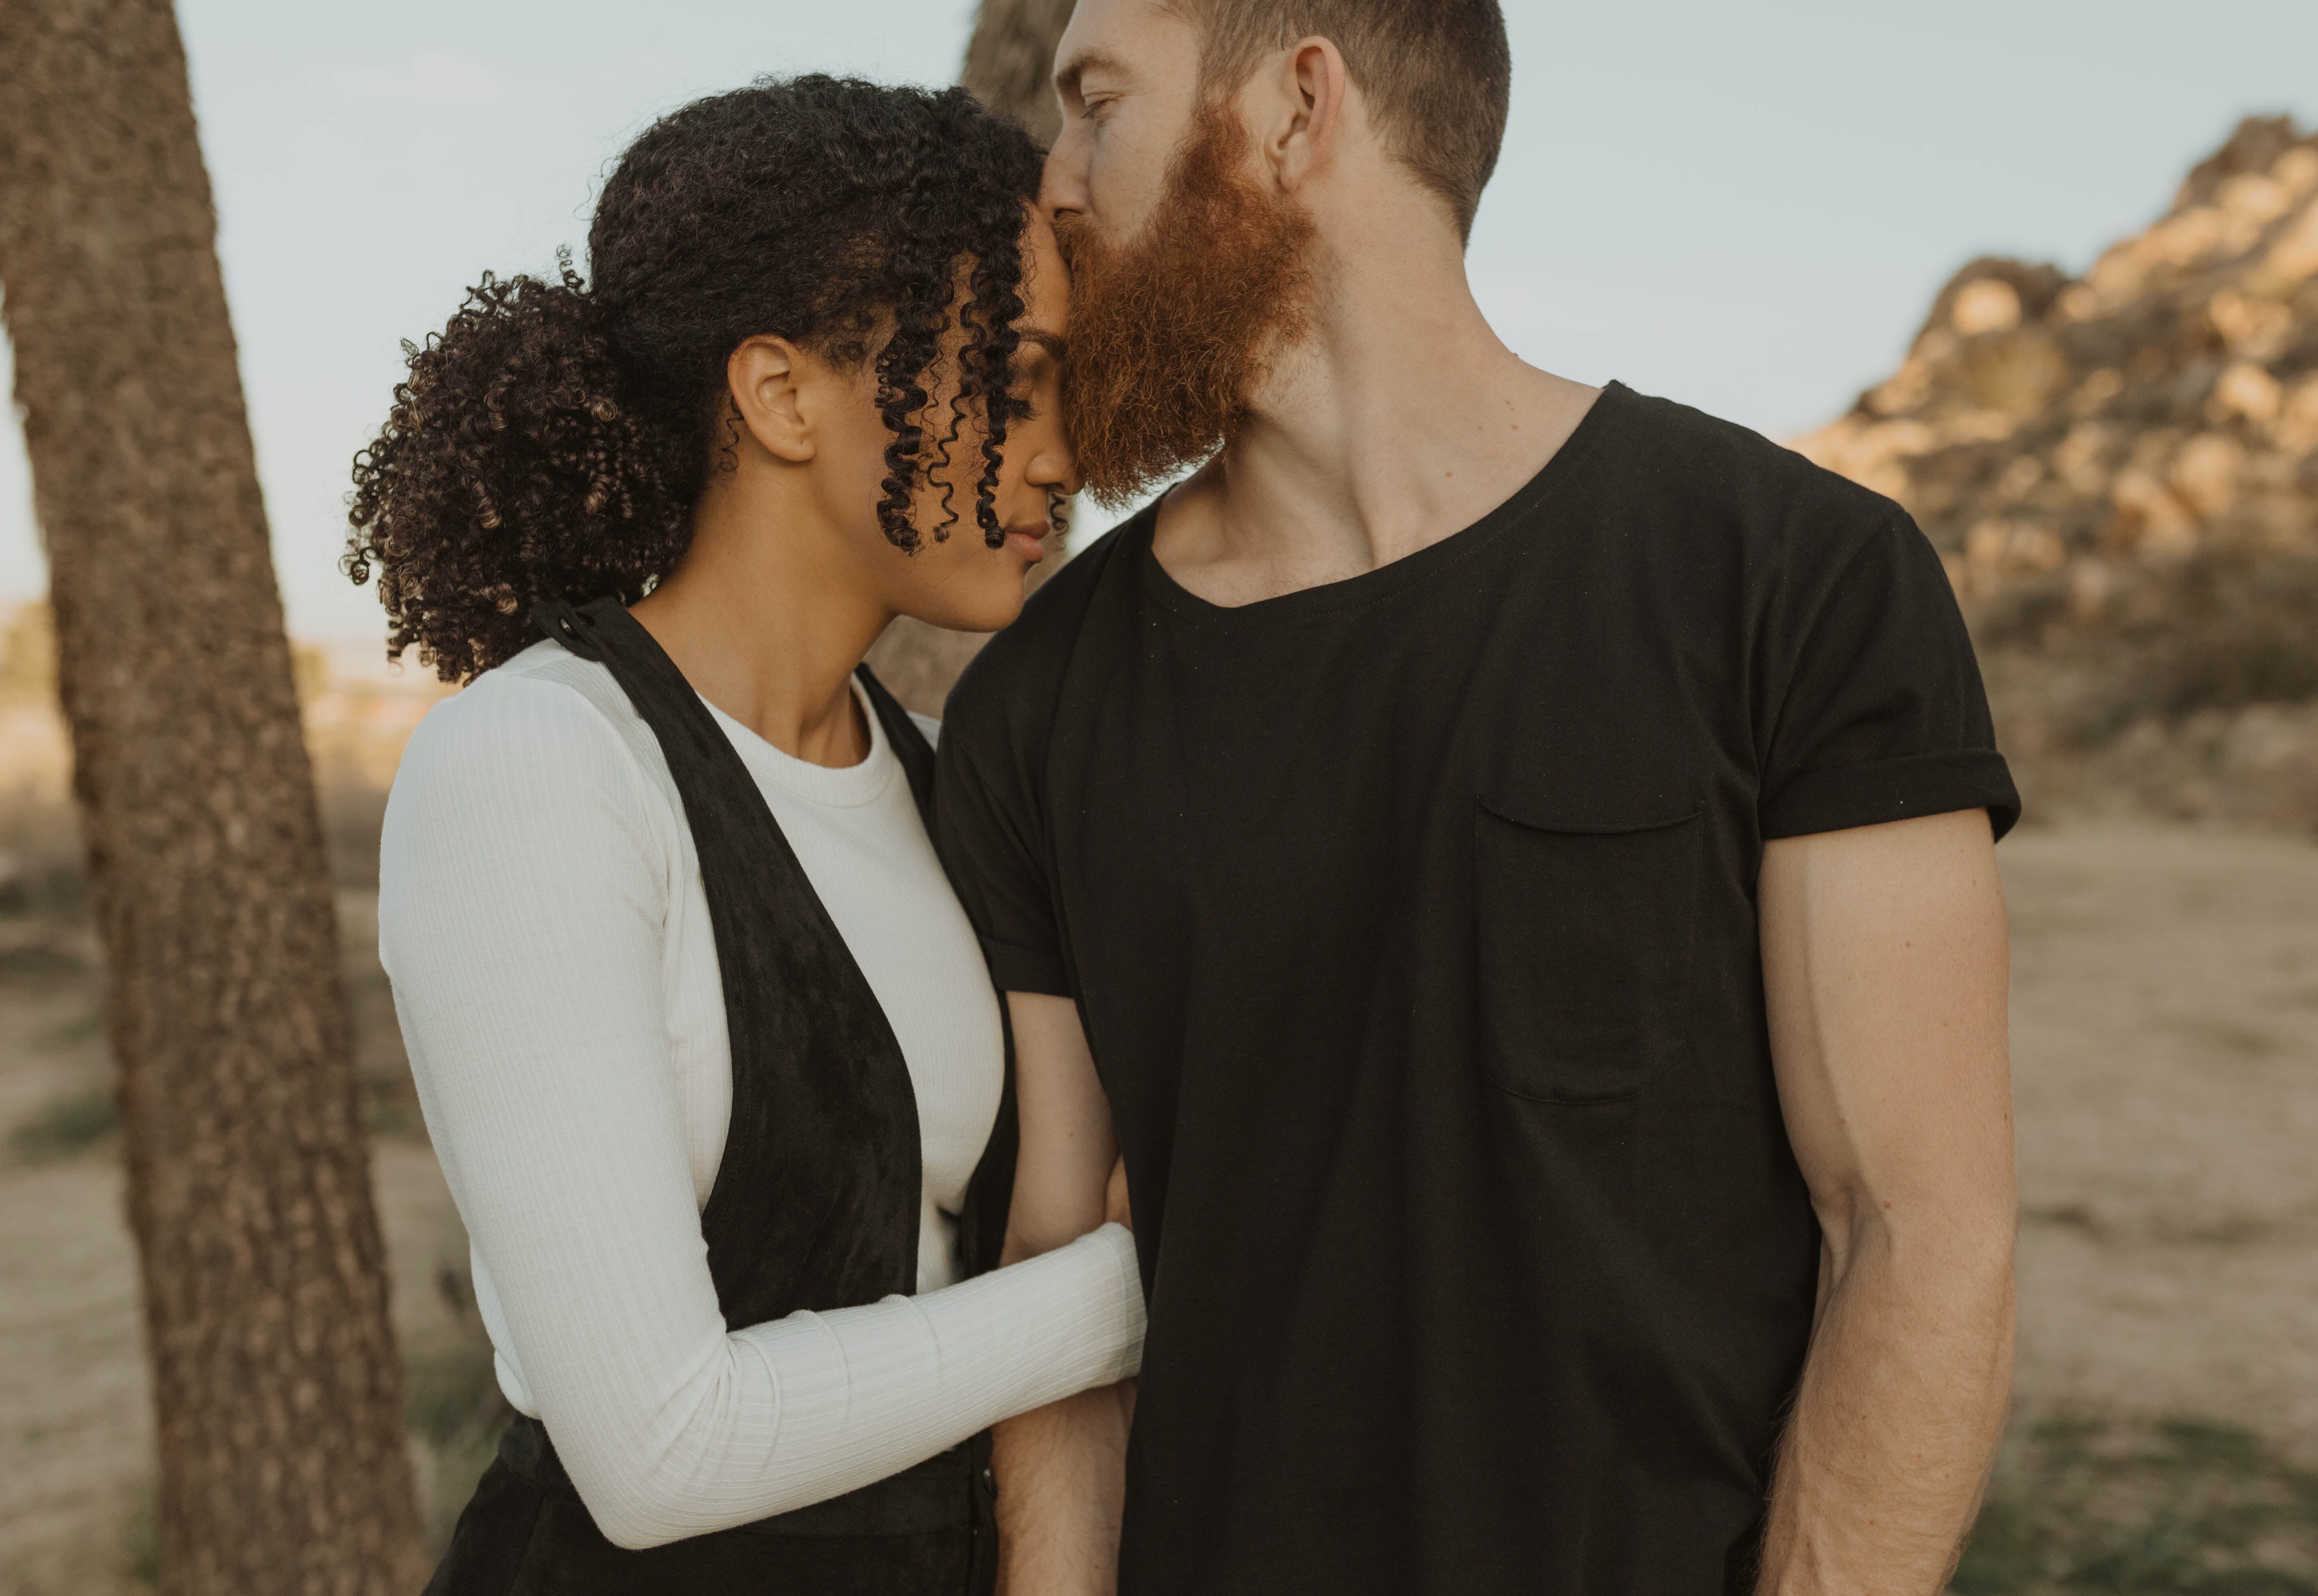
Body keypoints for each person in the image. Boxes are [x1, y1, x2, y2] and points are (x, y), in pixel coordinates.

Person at [937, 2, 2024, 1592]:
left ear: (1297, 107)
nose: (1053, 184)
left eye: (1095, 103)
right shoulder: (1038, 705)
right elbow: (1060, 1280)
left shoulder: (1788, 579)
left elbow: (1914, 1235)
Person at [347, 77, 1142, 1594]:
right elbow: (660, 1450)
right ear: (781, 398)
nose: (1062, 457)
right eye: (1014, 379)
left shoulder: (932, 777)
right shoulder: (540, 767)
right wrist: (1158, 1280)